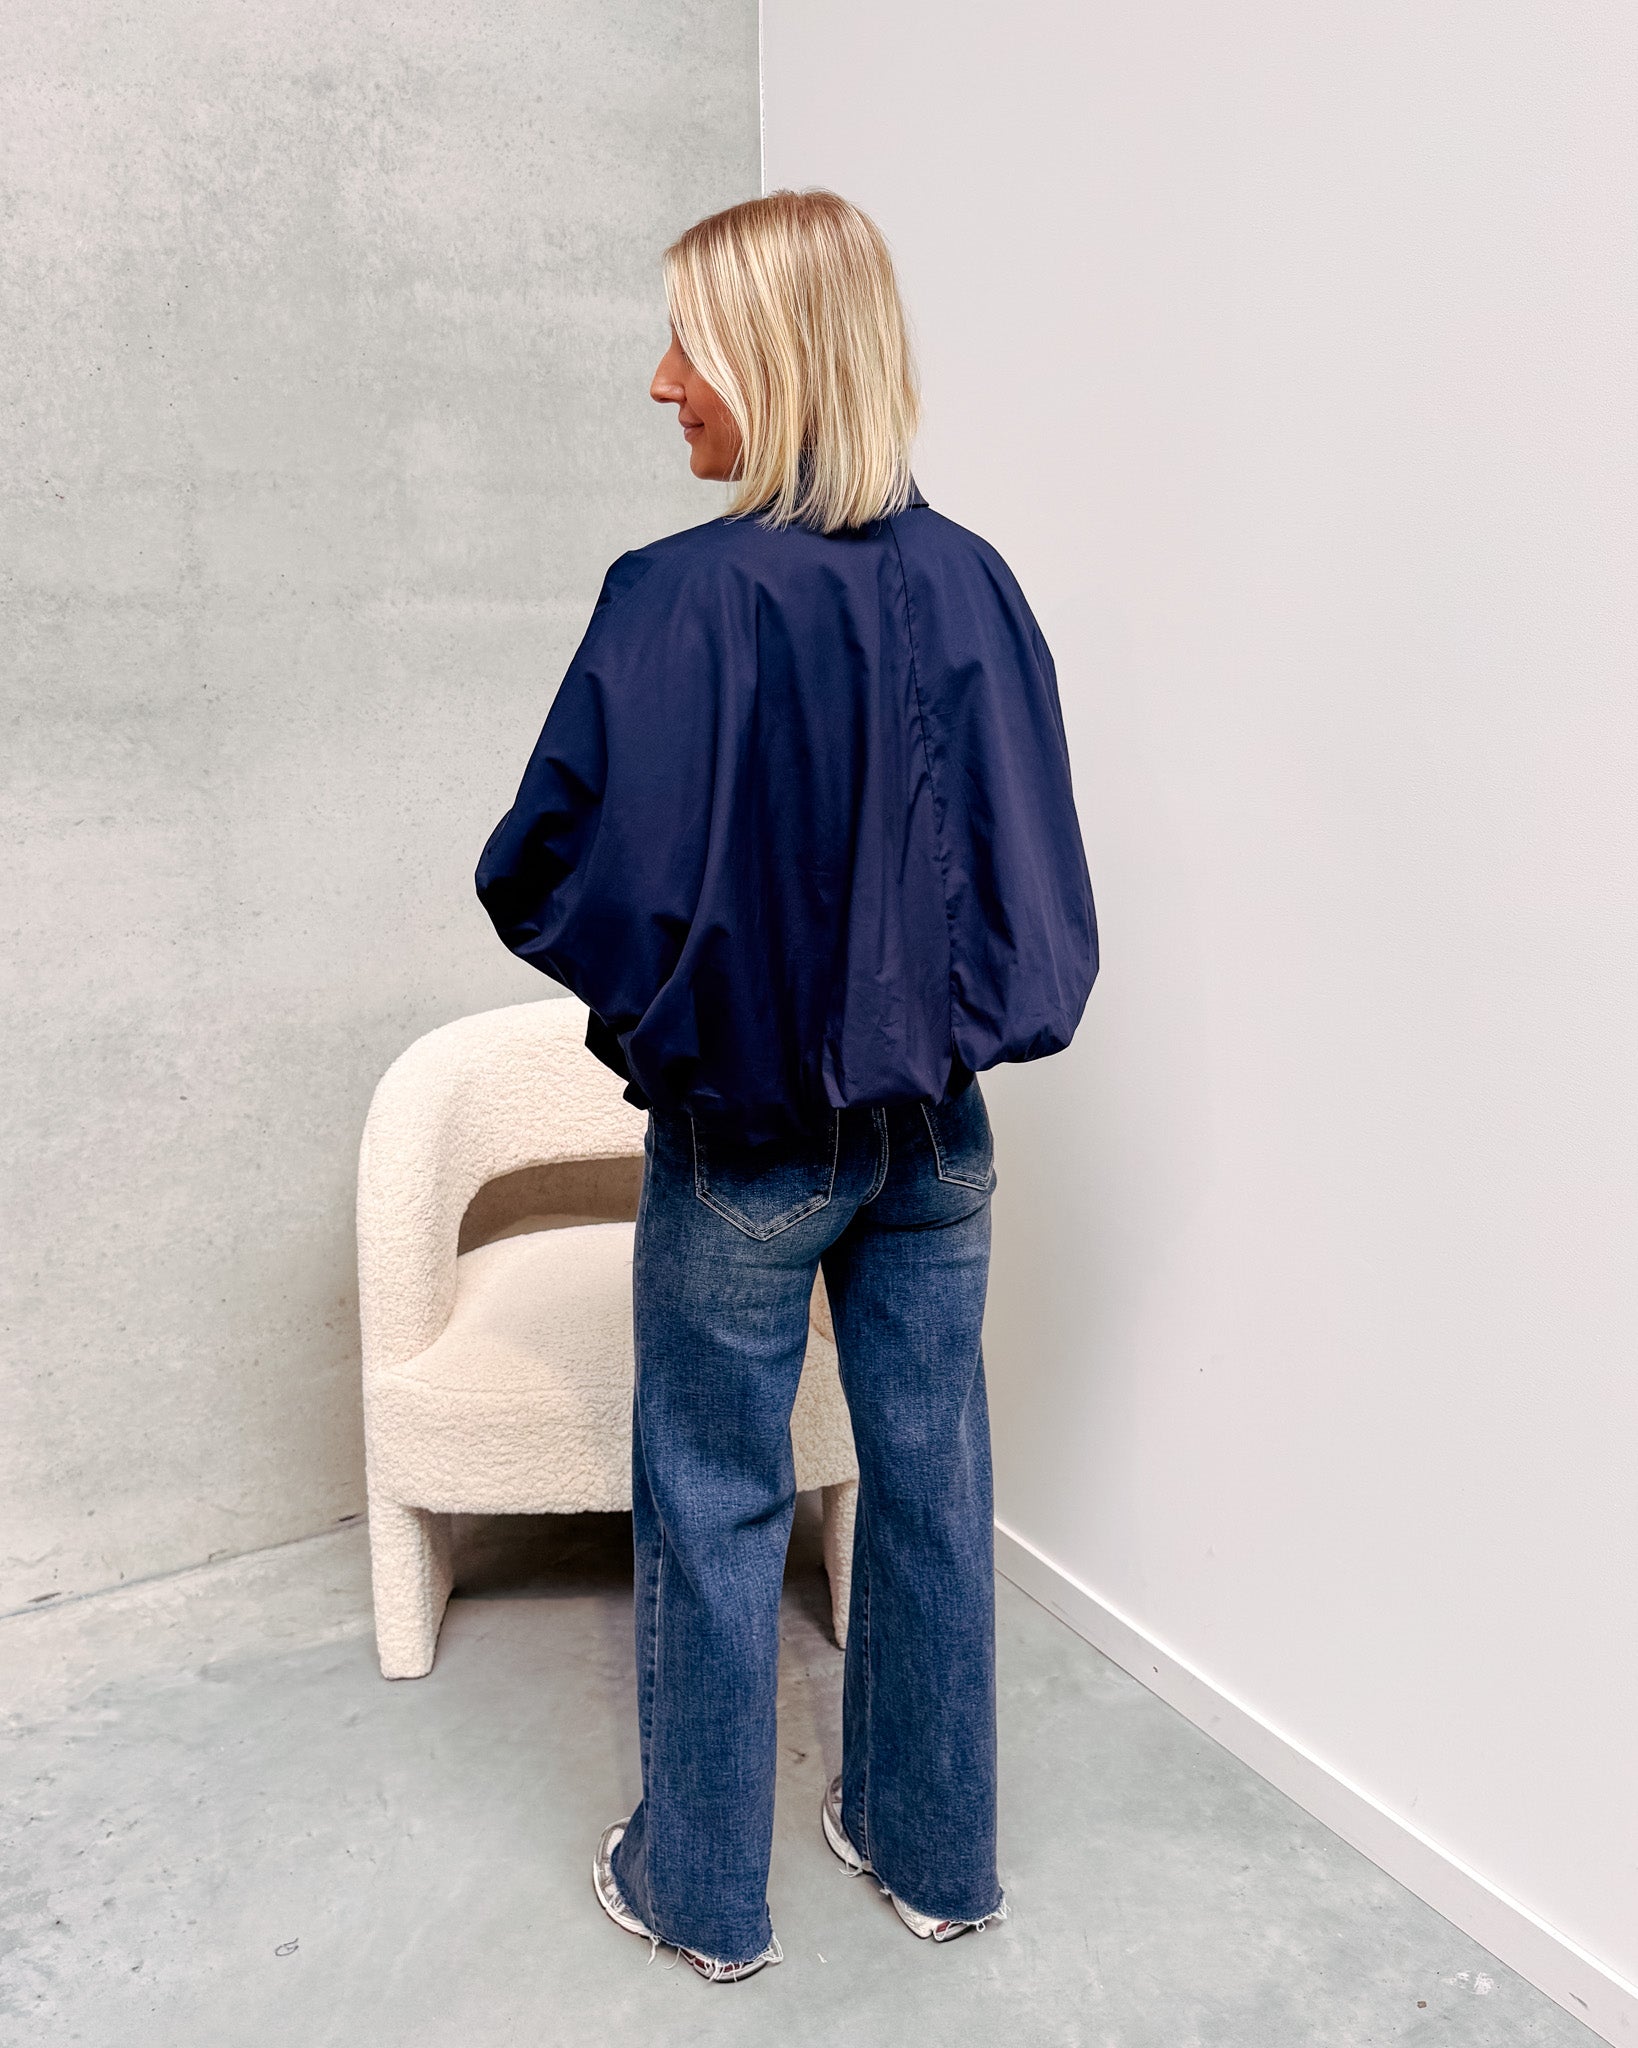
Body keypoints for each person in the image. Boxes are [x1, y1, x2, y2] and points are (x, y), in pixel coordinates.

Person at [475, 189, 1097, 1983]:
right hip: (941, 1137)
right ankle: (934, 1856)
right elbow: (1029, 864)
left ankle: (699, 1892)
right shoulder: (976, 579)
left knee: (710, 1495)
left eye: (690, 341)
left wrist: (697, 1011)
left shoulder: (676, 597)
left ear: (769, 355)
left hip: (747, 1145)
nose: (661, 379)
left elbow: (543, 870)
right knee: (932, 1484)